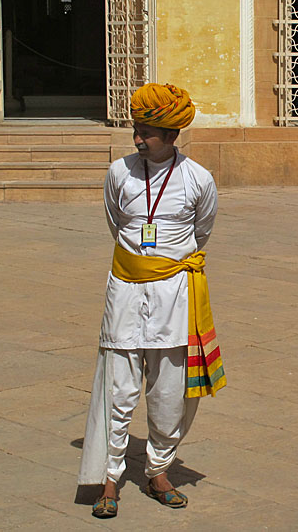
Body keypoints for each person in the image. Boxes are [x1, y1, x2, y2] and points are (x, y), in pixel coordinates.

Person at [78, 83, 226, 518]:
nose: (139, 139)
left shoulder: (198, 179)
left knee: (169, 392)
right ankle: (109, 478)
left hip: (176, 298)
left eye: (148, 132)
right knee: (118, 390)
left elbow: (202, 232)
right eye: (136, 129)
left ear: (173, 134)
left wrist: (163, 268)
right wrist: (141, 268)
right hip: (124, 291)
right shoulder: (118, 173)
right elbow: (114, 222)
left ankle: (158, 471)